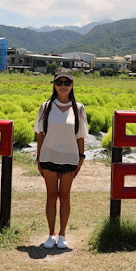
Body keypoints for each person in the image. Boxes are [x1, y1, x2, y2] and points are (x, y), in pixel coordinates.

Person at [34, 68, 88, 249]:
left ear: (72, 84)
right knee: (51, 196)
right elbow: (41, 134)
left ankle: (63, 234)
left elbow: (80, 136)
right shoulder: (46, 106)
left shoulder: (79, 108)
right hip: (48, 156)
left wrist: (81, 158)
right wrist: (38, 157)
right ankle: (51, 234)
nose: (63, 86)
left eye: (67, 82)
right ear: (54, 84)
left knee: (64, 196)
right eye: (60, 82)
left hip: (70, 158)